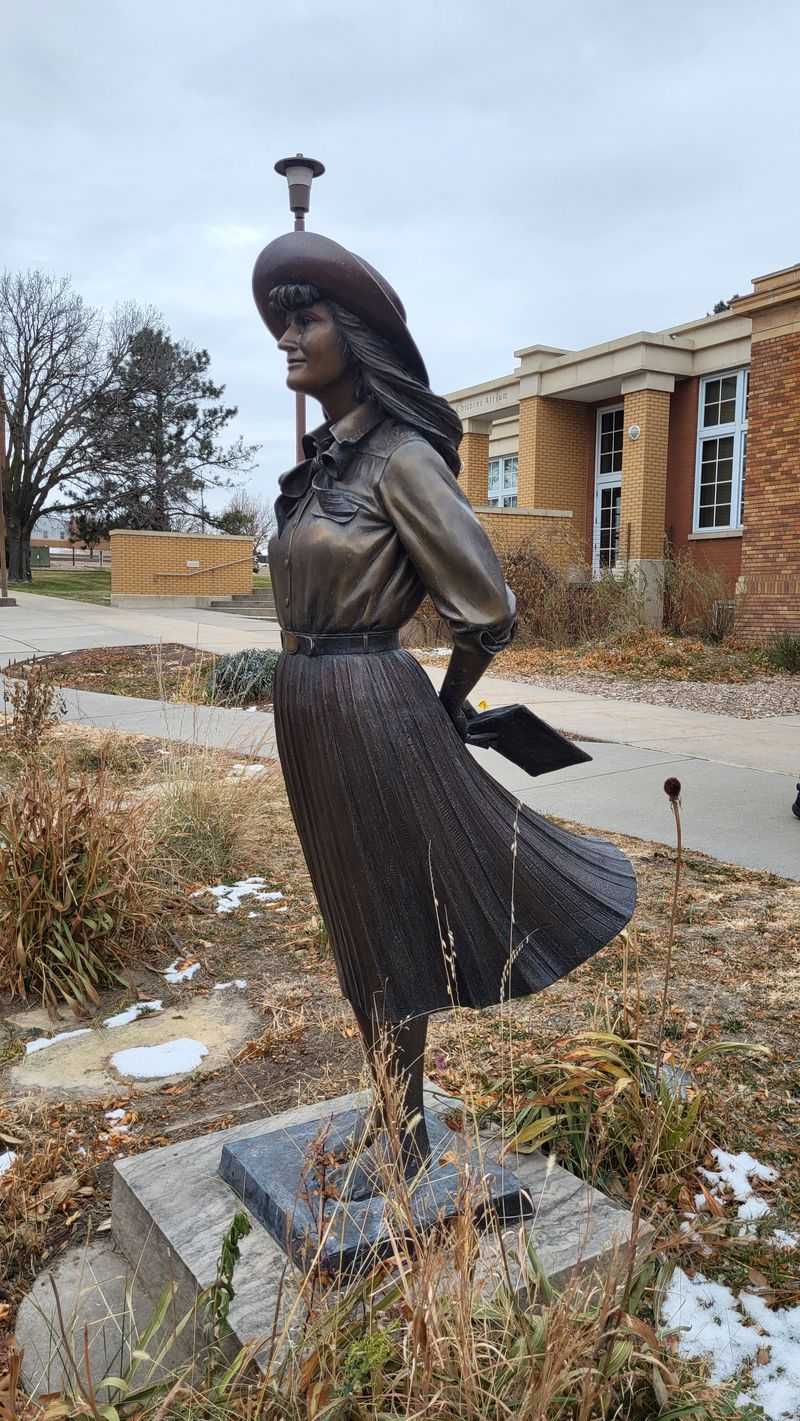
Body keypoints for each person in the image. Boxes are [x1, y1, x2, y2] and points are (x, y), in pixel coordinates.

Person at [254, 231, 636, 1177]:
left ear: (356, 338)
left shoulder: (400, 460)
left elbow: (487, 610)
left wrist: (447, 705)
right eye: (282, 324)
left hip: (371, 703)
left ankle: (406, 1137)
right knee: (353, 917)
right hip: (308, 704)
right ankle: (394, 1112)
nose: (286, 339)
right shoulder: (321, 466)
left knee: (389, 915)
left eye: (306, 321)